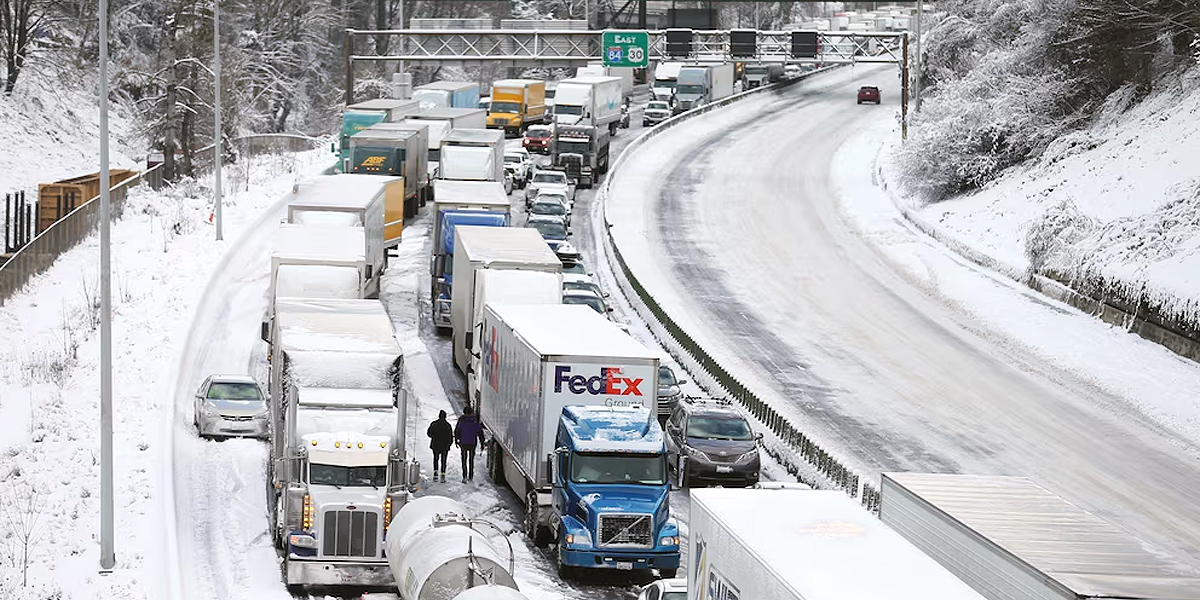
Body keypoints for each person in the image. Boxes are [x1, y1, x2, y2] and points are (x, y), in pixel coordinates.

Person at [454, 405, 487, 482]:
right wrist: (482, 443)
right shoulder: (475, 421)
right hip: (472, 443)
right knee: (471, 460)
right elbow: (480, 432)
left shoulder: (461, 420)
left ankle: (464, 476)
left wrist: (456, 440)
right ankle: (471, 476)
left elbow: (457, 431)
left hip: (463, 443)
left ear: (464, 412)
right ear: (471, 412)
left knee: (464, 459)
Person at [426, 410, 453, 483]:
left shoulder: (434, 424)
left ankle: (435, 473)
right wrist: (449, 444)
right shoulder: (448, 425)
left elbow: (429, 433)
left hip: (435, 444)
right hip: (445, 446)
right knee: (443, 460)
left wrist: (434, 436)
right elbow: (450, 437)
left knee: (436, 459)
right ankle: (443, 475)